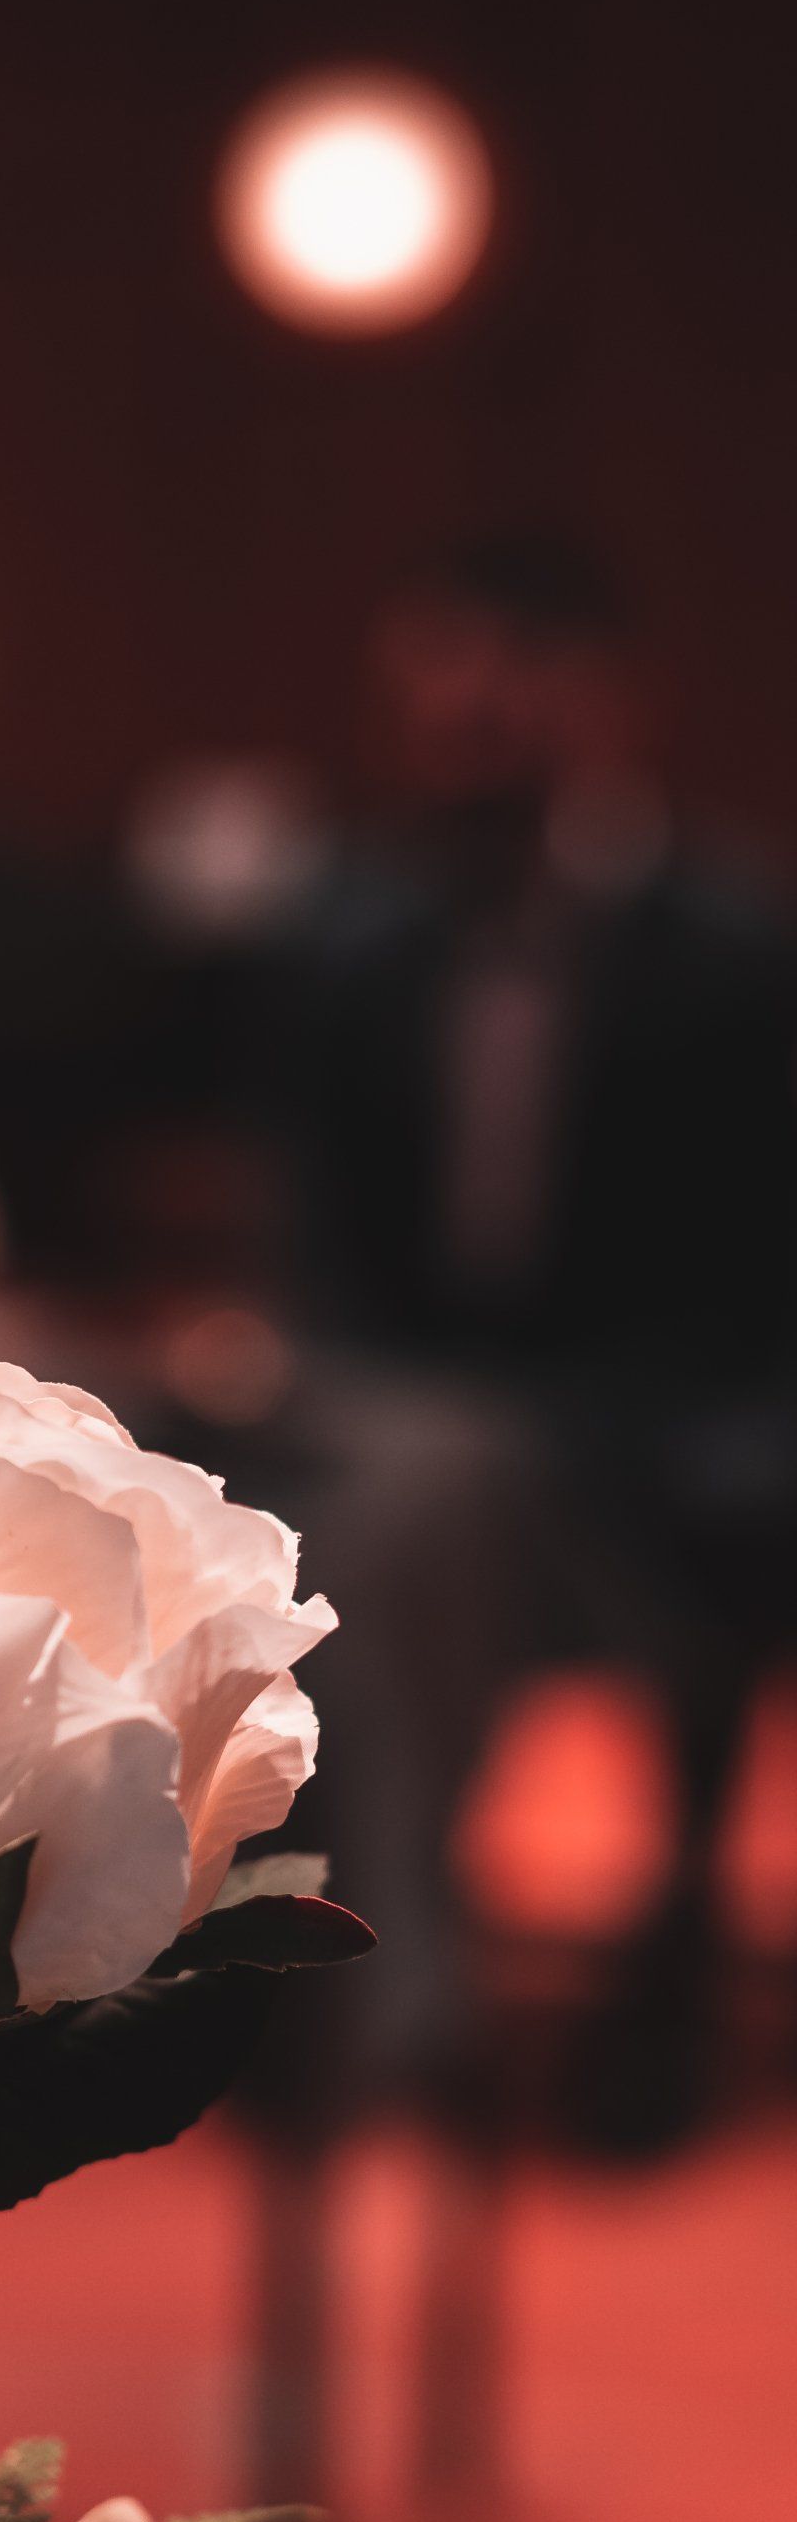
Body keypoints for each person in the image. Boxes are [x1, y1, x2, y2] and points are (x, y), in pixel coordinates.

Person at [282, 535, 797, 2136]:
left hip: (668, 1411)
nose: (463, 741)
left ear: (595, 704)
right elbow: (319, 1256)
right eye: (436, 713)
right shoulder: (354, 939)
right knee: (402, 1484)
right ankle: (379, 1961)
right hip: (429, 1414)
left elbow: (760, 1255)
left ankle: (598, 1955)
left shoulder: (736, 943)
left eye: (497, 708)